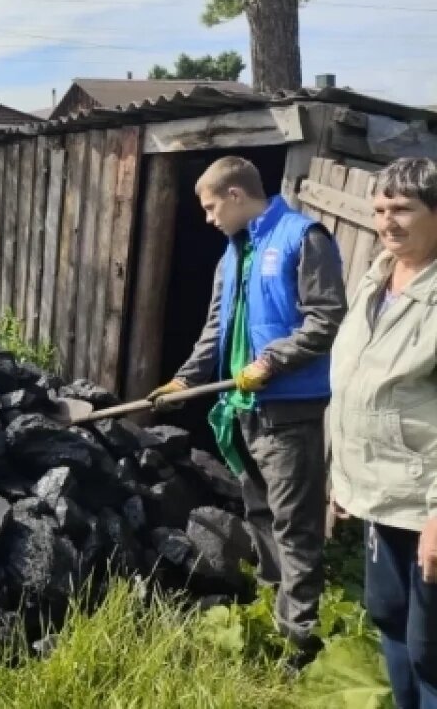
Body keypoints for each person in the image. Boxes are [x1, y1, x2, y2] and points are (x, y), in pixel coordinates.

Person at [146, 155, 346, 659]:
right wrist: (183, 379)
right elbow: (216, 331)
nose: (209, 218)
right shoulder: (231, 255)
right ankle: (271, 614)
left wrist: (272, 362)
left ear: (236, 195)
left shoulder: (303, 239)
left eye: (213, 207)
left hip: (288, 408)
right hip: (241, 407)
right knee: (259, 515)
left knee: (294, 526)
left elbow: (324, 320)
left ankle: (301, 644)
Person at [329, 157, 437, 709]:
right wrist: (341, 476)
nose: (387, 221)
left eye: (402, 209)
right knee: (390, 618)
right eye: (378, 209)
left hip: (426, 506)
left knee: (430, 647)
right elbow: (353, 388)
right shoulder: (376, 282)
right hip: (381, 495)